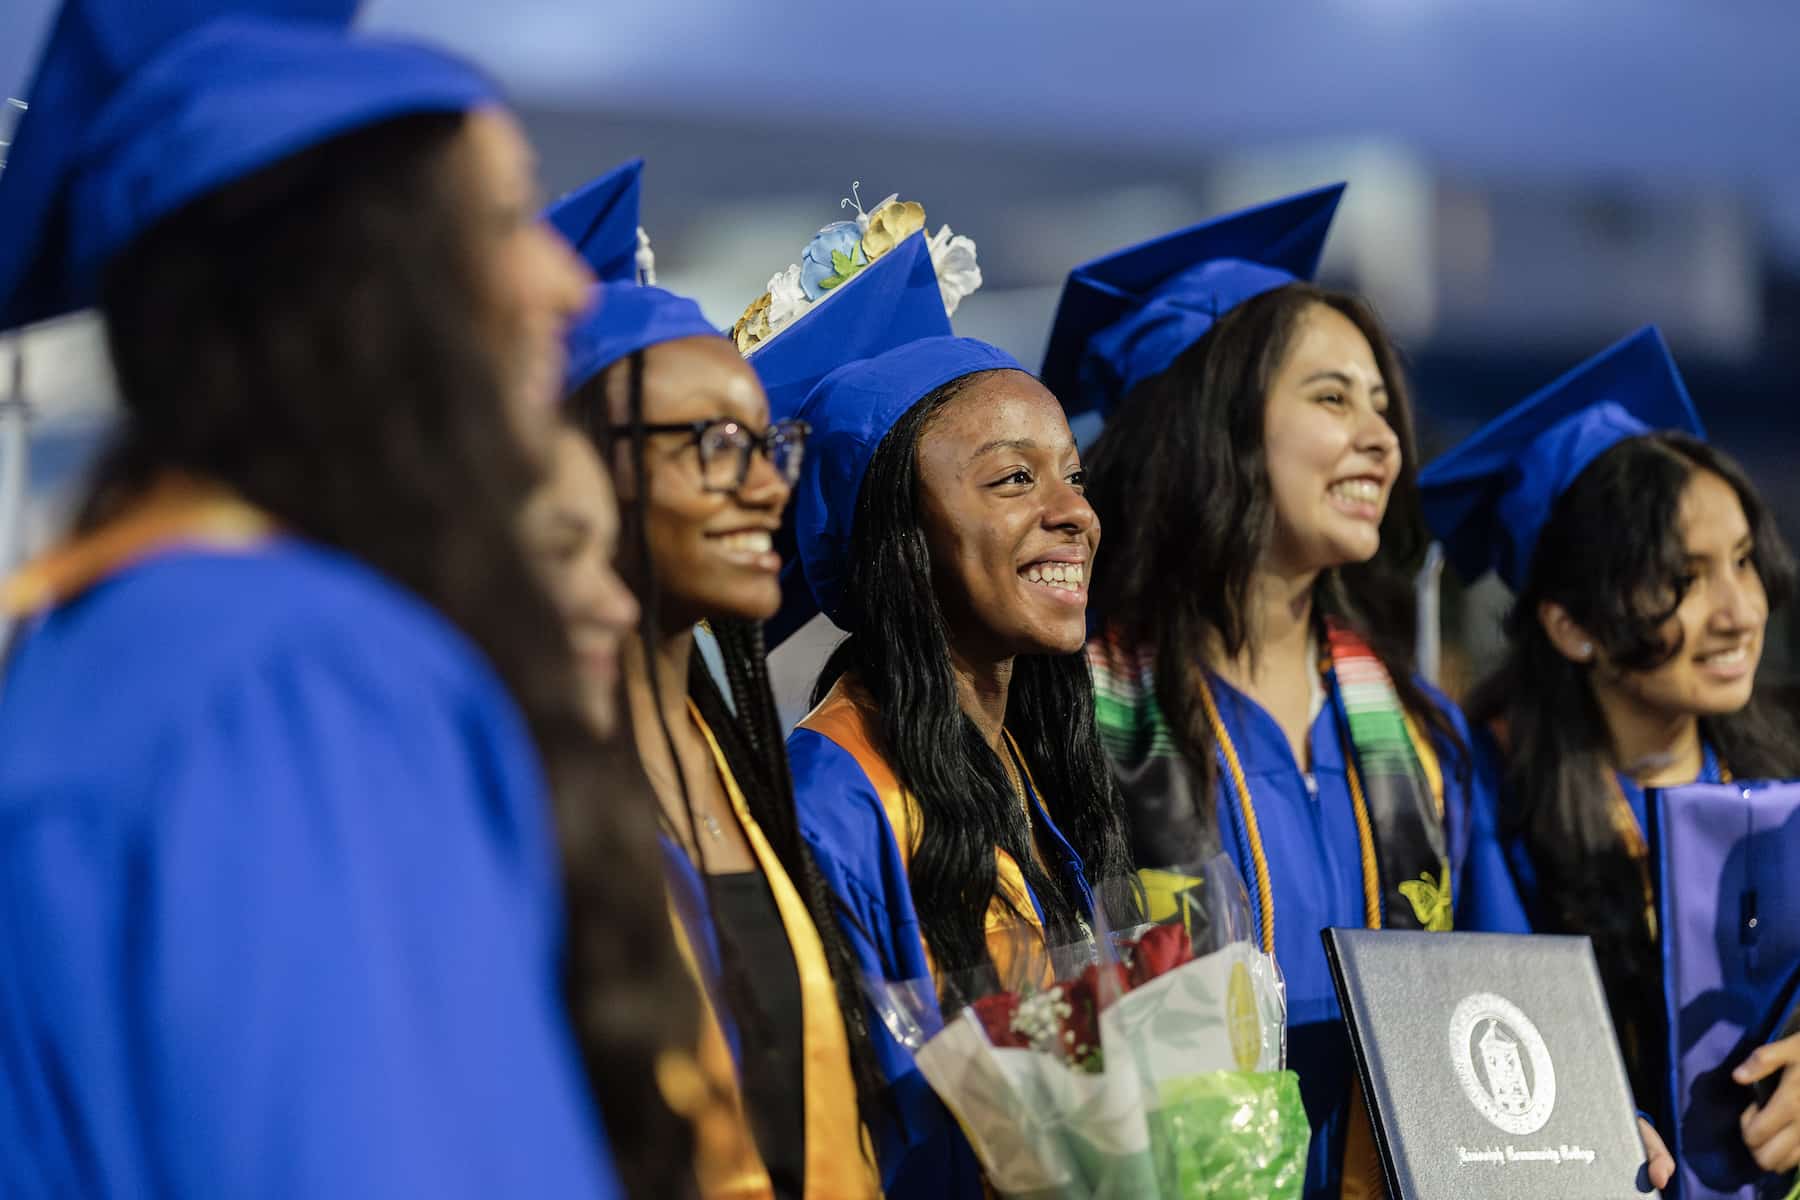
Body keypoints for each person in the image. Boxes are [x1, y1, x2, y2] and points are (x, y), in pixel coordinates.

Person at [0, 6, 698, 1197]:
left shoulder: (111, 650)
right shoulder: (294, 678)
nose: (562, 284)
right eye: (494, 220)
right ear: (356, 288)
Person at [1045, 184, 1522, 1199]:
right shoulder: (1068, 718)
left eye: (1384, 407)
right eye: (1333, 398)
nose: (1384, 441)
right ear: (1214, 423)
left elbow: (1511, 1012)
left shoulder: (1424, 742)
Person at [738, 202, 1134, 1197]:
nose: (1072, 512)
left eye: (1072, 475)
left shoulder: (1020, 770)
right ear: (899, 543)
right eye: (1012, 479)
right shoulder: (834, 799)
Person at [551, 159, 883, 1200]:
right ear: (573, 470)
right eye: (714, 445)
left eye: (769, 443)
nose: (767, 485)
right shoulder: (518, 789)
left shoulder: (743, 773)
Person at [1423, 325, 1800, 1185]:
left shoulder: (1781, 790)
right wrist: (1584, 1116)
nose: (1740, 611)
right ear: (1572, 624)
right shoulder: (1487, 811)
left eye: (1742, 561)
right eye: (1682, 577)